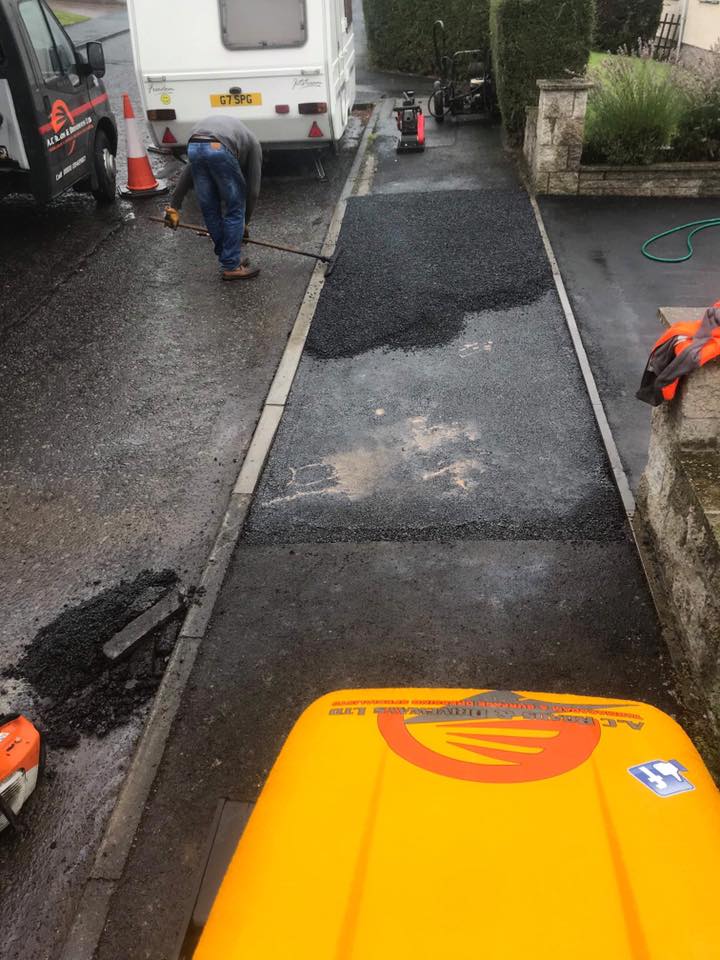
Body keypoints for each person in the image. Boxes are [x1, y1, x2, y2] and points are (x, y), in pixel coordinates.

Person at [164, 115, 263, 281]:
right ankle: (231, 265)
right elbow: (253, 192)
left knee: (209, 207)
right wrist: (245, 222)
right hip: (219, 147)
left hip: (195, 144)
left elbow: (188, 172)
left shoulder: (236, 133)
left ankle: (229, 258)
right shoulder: (254, 145)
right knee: (235, 207)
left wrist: (174, 206)